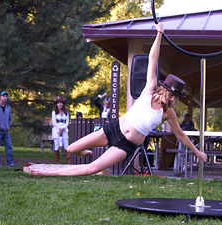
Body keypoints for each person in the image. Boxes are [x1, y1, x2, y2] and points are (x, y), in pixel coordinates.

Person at [30, 23, 207, 177]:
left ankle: (47, 172)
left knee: (92, 168)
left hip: (126, 145)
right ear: (164, 89)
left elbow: (181, 136)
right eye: (172, 94)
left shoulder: (169, 113)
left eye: (176, 97)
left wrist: (197, 153)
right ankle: (85, 153)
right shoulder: (149, 90)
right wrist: (159, 33)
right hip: (113, 130)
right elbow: (153, 58)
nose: (173, 99)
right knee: (71, 149)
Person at [0, 91, 16, 166]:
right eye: (3, 96)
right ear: (0, 97)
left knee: (9, 147)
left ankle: (10, 162)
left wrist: (7, 126)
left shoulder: (8, 108)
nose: (5, 97)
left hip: (6, 131)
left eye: (6, 96)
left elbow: (10, 119)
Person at [51, 96, 70, 164]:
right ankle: (57, 161)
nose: (60, 104)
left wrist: (63, 128)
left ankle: (68, 160)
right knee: (56, 145)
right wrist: (59, 129)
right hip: (56, 130)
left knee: (66, 145)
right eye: (58, 103)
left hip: (64, 129)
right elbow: (54, 122)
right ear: (56, 104)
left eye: (61, 103)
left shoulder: (66, 112)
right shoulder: (54, 112)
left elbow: (67, 122)